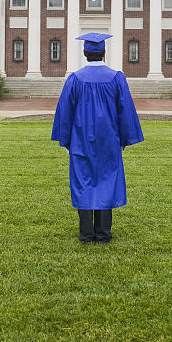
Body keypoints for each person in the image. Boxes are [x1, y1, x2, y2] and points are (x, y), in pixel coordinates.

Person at [51, 32, 144, 243]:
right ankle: (103, 233)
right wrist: (124, 139)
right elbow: (125, 110)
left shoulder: (74, 79)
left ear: (84, 53)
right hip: (109, 140)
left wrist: (66, 140)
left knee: (83, 181)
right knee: (106, 181)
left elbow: (65, 113)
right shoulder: (117, 78)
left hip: (80, 140)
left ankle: (86, 233)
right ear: (104, 52)